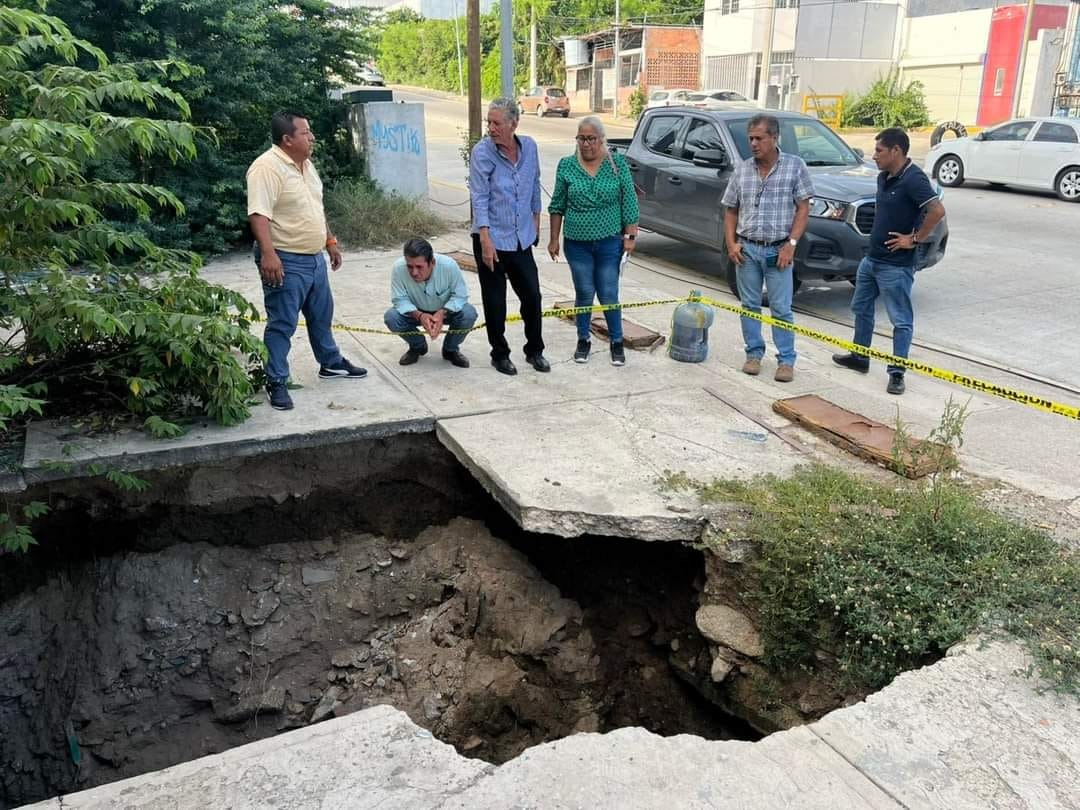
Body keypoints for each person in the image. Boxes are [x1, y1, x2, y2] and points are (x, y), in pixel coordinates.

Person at [246, 111, 367, 412]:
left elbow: (315, 206)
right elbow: (258, 215)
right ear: (287, 139)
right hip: (285, 258)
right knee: (282, 323)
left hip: (314, 257)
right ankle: (276, 380)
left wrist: (330, 241)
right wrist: (269, 255)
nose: (312, 137)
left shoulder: (306, 165)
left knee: (322, 315)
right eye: (305, 133)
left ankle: (330, 363)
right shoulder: (266, 168)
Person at [833, 128, 946, 396]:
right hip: (871, 259)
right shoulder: (884, 177)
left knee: (900, 320)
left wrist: (914, 239)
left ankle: (897, 373)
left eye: (879, 151)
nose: (874, 156)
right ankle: (860, 356)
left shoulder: (914, 179)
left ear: (896, 151)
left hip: (896, 265)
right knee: (861, 307)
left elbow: (937, 210)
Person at [721, 114, 813, 383]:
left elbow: (803, 208)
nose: (753, 144)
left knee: (781, 308)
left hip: (778, 251)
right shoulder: (742, 170)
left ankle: (786, 360)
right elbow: (731, 210)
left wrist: (791, 244)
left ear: (774, 138)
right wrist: (731, 244)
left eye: (759, 138)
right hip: (747, 250)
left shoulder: (794, 167)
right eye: (750, 138)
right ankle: (753, 354)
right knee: (749, 305)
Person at [547, 116, 639, 366]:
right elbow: (557, 205)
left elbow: (629, 201)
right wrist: (554, 239)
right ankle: (583, 340)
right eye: (581, 138)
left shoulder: (616, 163)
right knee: (585, 292)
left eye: (591, 139)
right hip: (577, 244)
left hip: (610, 241)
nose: (586, 144)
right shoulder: (567, 165)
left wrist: (630, 236)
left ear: (601, 139)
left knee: (608, 293)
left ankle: (616, 342)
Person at [469, 98, 549, 376]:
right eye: (489, 122)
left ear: (514, 124)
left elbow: (534, 183)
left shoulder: (530, 147)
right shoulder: (482, 153)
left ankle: (535, 350)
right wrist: (485, 239)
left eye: (497, 123)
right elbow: (479, 197)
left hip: (521, 238)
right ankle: (500, 354)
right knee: (495, 302)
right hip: (491, 238)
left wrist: (536, 219)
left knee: (533, 297)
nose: (491, 128)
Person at [384, 238, 478, 368]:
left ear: (432, 262)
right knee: (392, 317)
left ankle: (450, 350)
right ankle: (417, 346)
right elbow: (399, 299)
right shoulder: (398, 268)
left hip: (446, 310)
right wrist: (420, 315)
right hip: (415, 311)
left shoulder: (449, 266)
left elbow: (460, 296)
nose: (414, 272)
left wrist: (443, 313)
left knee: (468, 313)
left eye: (419, 267)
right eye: (410, 267)